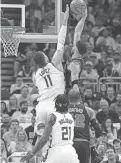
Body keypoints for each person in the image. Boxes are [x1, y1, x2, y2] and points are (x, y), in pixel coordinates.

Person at [31, 5, 69, 159]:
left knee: (40, 139)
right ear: (45, 58)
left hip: (41, 108)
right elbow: (61, 41)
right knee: (59, 140)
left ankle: (38, 160)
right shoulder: (55, 62)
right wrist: (65, 21)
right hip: (56, 107)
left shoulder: (36, 75)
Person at [20, 94, 79, 163]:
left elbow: (44, 139)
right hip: (70, 152)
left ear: (56, 104)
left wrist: (32, 153)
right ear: (67, 104)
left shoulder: (52, 117)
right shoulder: (71, 116)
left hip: (57, 151)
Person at [68, 88, 102, 163]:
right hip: (83, 143)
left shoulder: (65, 109)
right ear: (80, 98)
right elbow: (98, 130)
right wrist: (94, 138)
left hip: (68, 143)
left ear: (68, 98)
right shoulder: (89, 110)